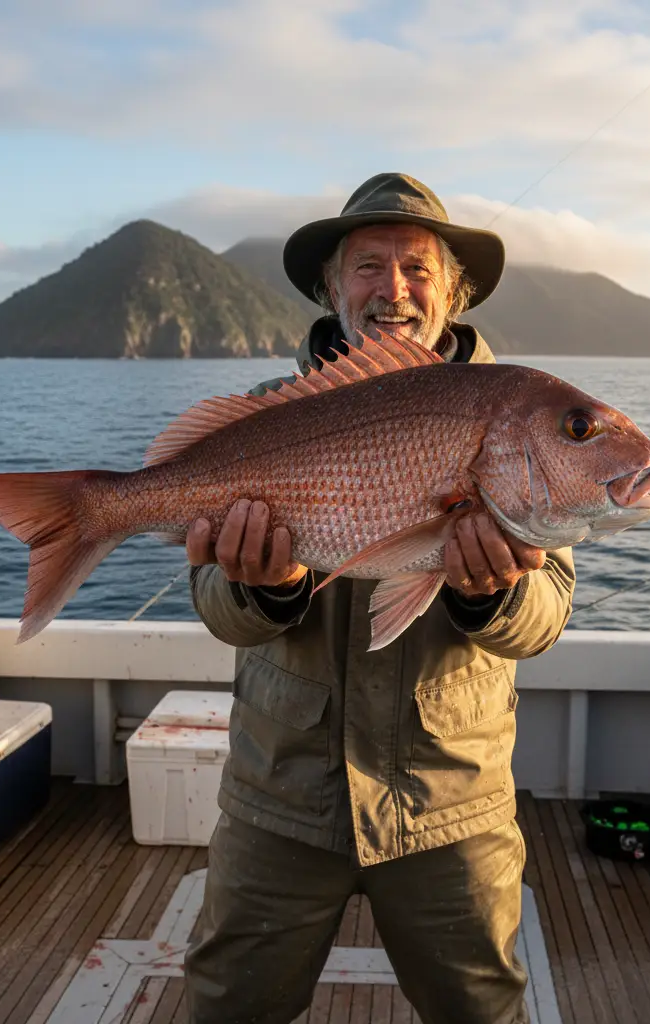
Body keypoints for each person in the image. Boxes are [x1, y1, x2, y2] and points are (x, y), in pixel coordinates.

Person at [183, 172, 576, 1024]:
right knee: (227, 1007)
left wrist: (486, 598)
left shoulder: (516, 420)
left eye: (417, 269)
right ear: (332, 287)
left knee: (481, 1011)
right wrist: (269, 586)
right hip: (281, 795)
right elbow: (215, 606)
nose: (392, 290)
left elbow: (547, 618)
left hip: (452, 805)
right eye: (367, 267)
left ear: (453, 293)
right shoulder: (261, 418)